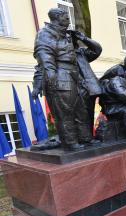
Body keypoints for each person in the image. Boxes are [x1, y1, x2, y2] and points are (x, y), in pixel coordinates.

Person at [33, 8, 90, 150]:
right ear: (56, 18)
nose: (68, 20)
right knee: (65, 113)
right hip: (60, 77)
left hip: (73, 75)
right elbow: (45, 61)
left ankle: (86, 139)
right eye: (65, 18)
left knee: (80, 110)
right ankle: (71, 143)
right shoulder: (45, 35)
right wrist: (50, 83)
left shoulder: (66, 35)